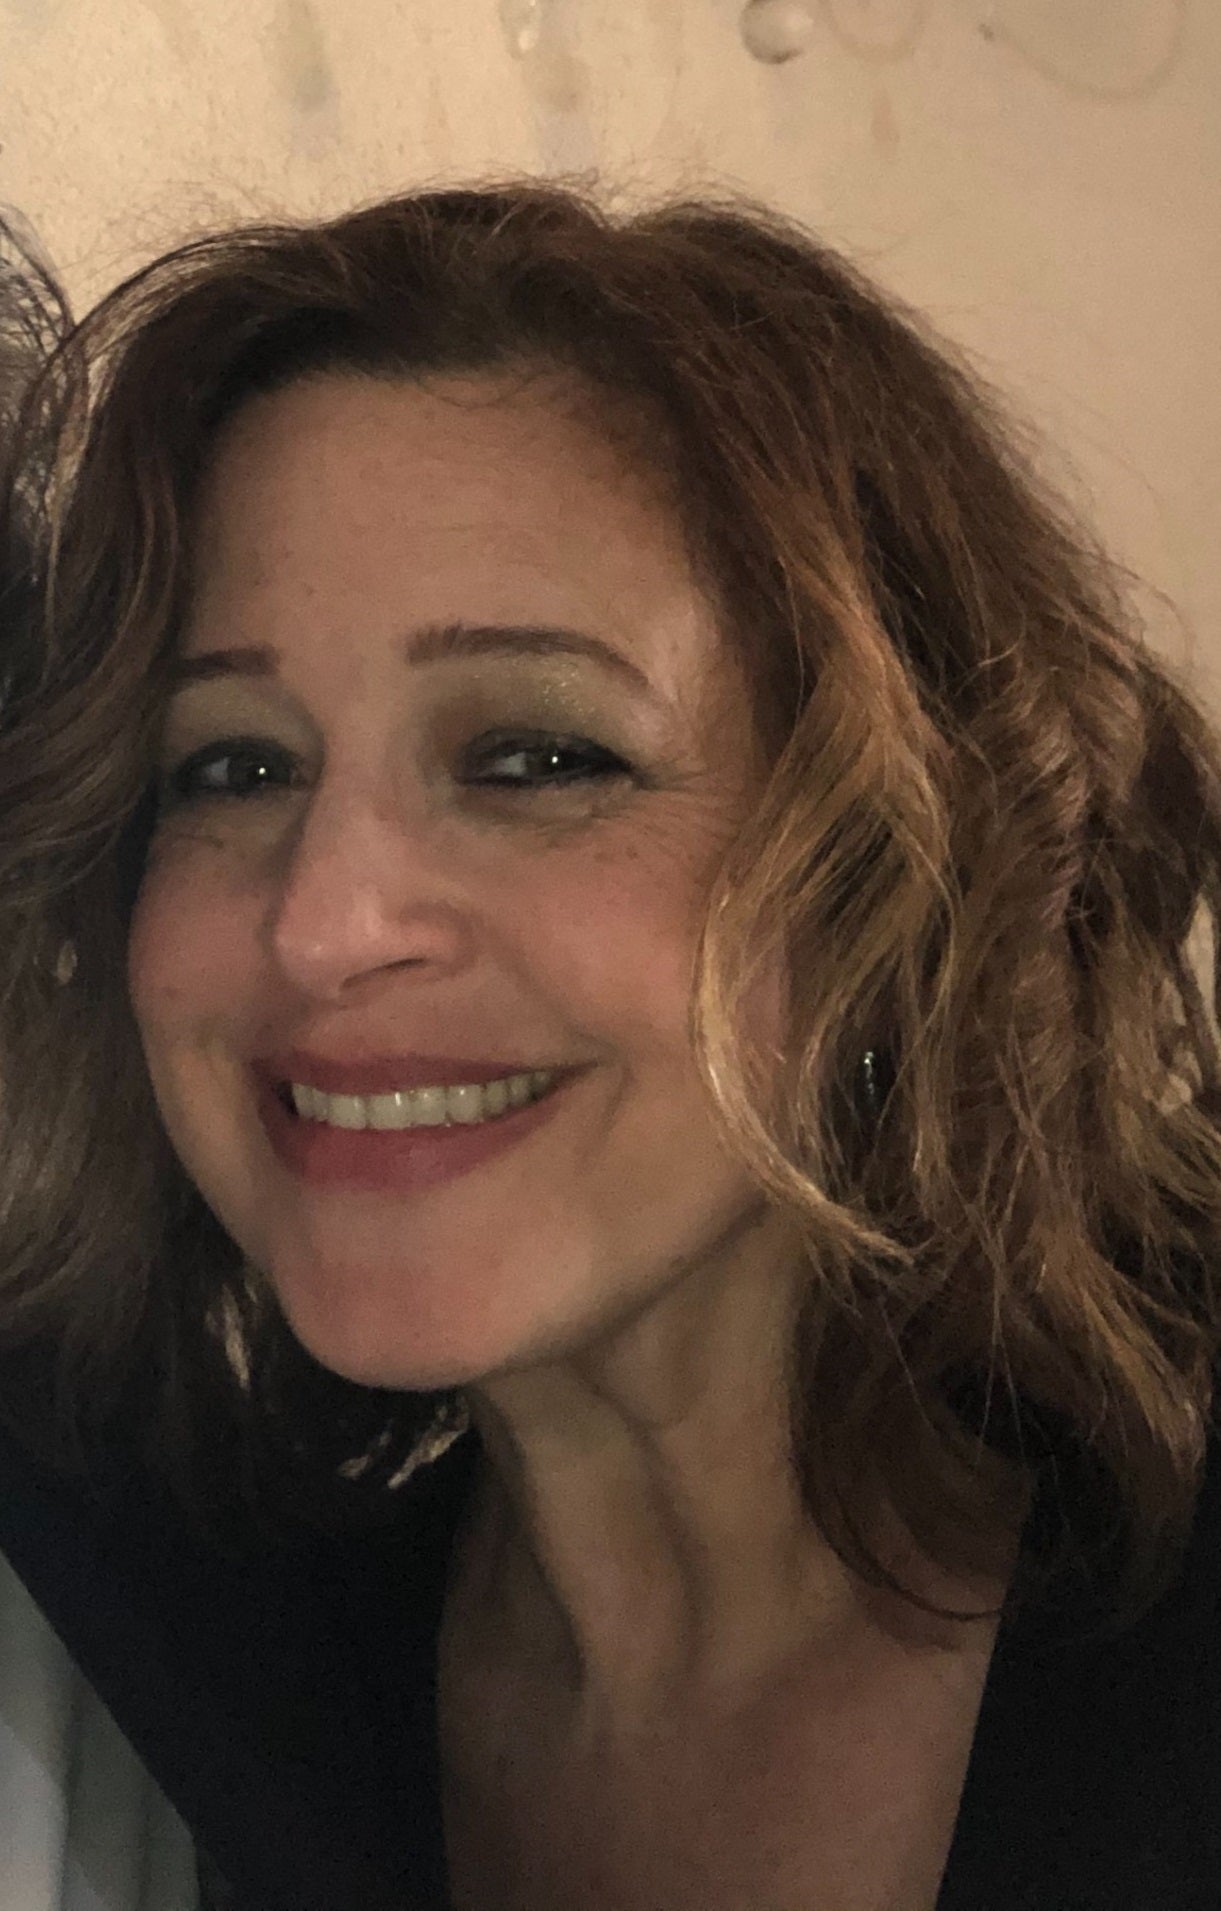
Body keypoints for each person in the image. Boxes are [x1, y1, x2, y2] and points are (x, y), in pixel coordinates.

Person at [1, 180, 1219, 1911]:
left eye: (537, 757)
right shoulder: (210, 1669)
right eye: (235, 766)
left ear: (908, 860)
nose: (323, 924)